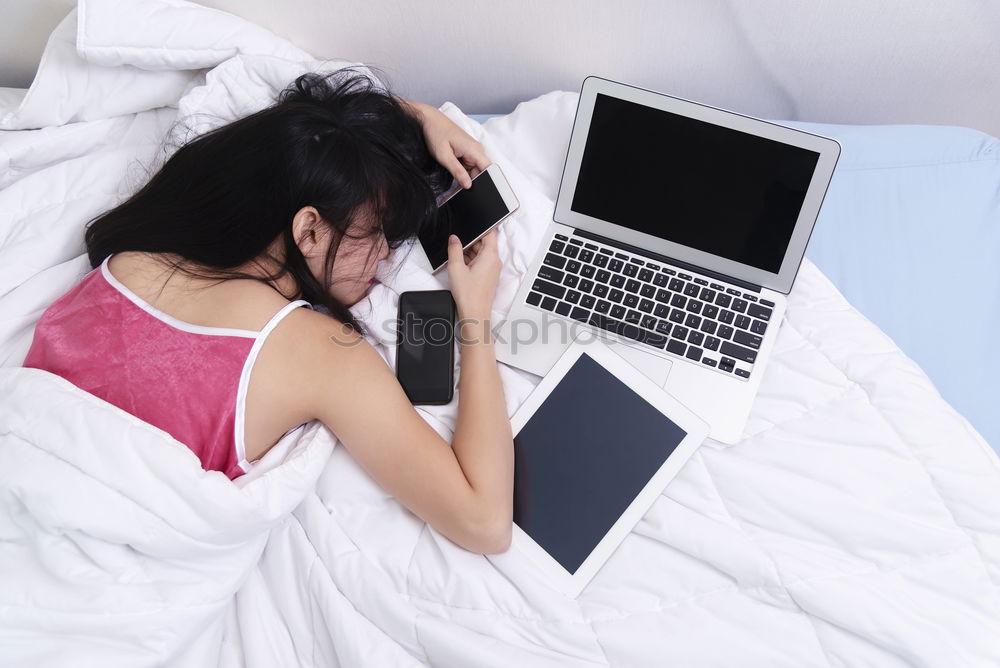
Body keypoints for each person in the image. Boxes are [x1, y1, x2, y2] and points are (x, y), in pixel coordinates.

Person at [22, 70, 514, 555]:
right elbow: (485, 522)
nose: (385, 254)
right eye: (378, 231)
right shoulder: (319, 354)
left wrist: (418, 116)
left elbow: (293, 117)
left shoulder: (130, 260)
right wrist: (474, 317)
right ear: (310, 232)